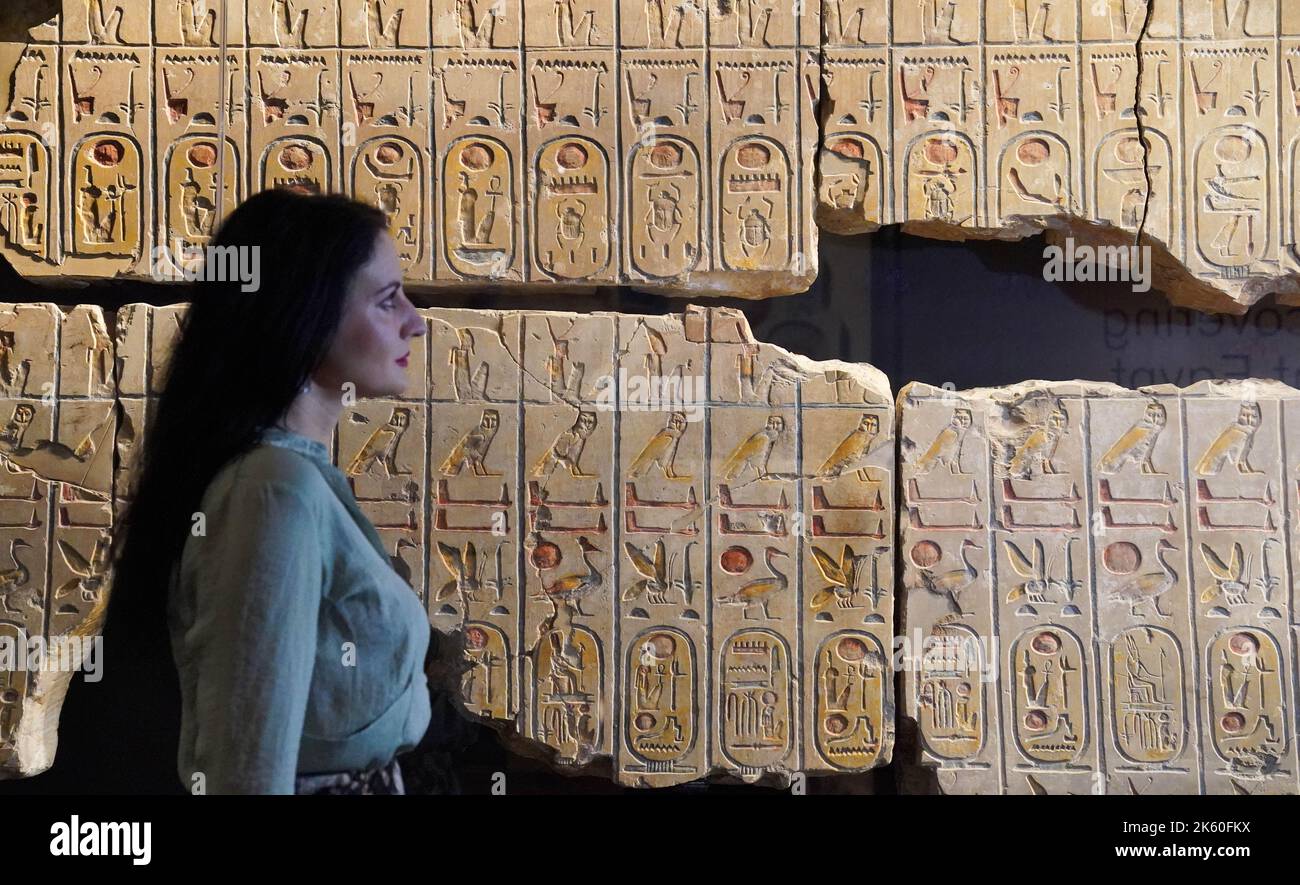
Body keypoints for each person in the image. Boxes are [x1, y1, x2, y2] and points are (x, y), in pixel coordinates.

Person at [105, 190, 431, 794]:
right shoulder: (273, 491)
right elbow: (248, 764)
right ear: (307, 310)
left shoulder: (292, 480)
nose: (415, 320)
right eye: (388, 300)